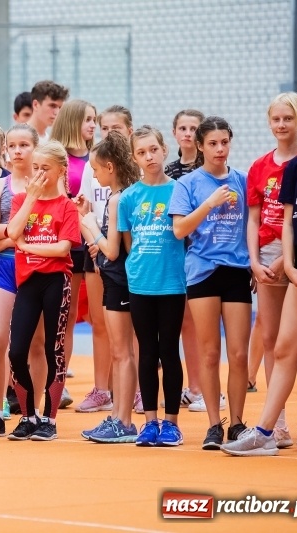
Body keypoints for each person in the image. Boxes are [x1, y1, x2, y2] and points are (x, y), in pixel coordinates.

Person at [223, 88, 297, 457]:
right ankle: (270, 428)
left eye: (288, 118)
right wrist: (281, 262)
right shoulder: (288, 167)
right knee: (279, 344)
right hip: (290, 261)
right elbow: (282, 220)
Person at [169, 116, 251, 450]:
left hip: (237, 270)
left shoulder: (242, 180)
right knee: (209, 352)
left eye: (224, 142)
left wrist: (255, 264)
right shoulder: (188, 184)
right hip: (202, 271)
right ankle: (214, 424)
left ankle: (237, 422)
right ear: (200, 146)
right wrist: (209, 203)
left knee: (239, 353)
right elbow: (179, 229)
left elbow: (252, 226)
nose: (220, 149)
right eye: (213, 143)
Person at [6, 140, 80, 441]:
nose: (38, 173)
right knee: (17, 351)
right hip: (28, 281)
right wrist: (31, 198)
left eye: (45, 168)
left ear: (61, 170)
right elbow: (12, 232)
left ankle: (49, 418)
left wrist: (27, 246)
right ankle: (28, 416)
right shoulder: (22, 200)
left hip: (55, 280)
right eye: (35, 167)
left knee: (53, 349)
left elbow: (63, 249)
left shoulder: (67, 206)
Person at [0, 123, 45, 438]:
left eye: (24, 145)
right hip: (5, 266)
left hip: (38, 266)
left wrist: (10, 235)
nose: (17, 151)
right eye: (12, 146)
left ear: (35, 147)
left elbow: (49, 230)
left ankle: (35, 412)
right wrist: (14, 236)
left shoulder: (48, 182)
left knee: (36, 343)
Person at [120, 126, 186, 446]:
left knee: (169, 350)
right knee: (146, 352)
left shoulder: (179, 190)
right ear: (134, 158)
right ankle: (149, 422)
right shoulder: (129, 197)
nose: (149, 157)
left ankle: (171, 423)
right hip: (140, 283)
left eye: (153, 150)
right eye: (142, 152)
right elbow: (128, 243)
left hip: (172, 283)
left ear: (164, 150)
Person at [77, 132, 140, 443]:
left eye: (96, 169)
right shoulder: (124, 195)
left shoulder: (117, 199)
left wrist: (89, 223)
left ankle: (124, 421)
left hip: (120, 281)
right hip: (117, 279)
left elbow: (113, 251)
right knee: (120, 351)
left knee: (122, 352)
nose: (94, 175)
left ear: (110, 167)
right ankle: (118, 416)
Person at [50, 99, 98, 409]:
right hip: (64, 245)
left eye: (94, 119)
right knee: (62, 317)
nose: (93, 125)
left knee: (94, 317)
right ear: (72, 121)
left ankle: (102, 386)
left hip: (92, 244)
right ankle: (57, 380)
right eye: (87, 119)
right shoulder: (58, 158)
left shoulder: (96, 158)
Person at [164, 109, 207, 411]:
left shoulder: (210, 167)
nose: (188, 133)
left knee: (200, 323)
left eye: (194, 128)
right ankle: (192, 387)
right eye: (183, 128)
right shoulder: (168, 172)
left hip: (203, 252)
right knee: (181, 324)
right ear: (174, 132)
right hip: (174, 253)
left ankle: (204, 388)